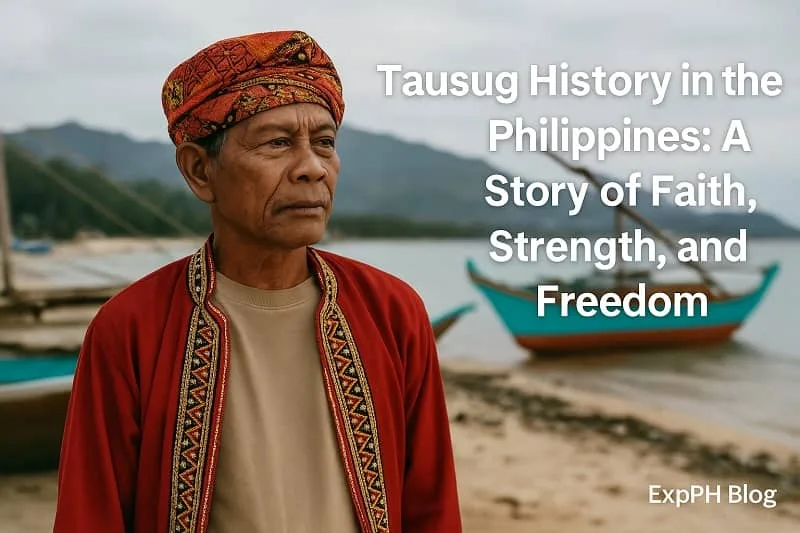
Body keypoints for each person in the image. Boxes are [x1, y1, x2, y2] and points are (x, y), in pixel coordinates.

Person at [52, 30, 462, 533]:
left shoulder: (392, 312)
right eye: (277, 143)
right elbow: (89, 515)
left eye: (325, 143)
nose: (312, 169)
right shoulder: (131, 329)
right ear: (200, 170)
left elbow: (433, 509)